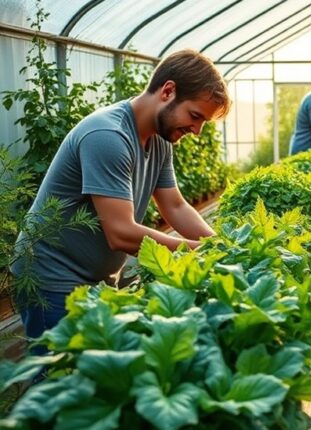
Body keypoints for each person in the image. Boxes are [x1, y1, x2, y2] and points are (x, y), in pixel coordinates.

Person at [11, 49, 231, 341]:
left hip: (96, 281)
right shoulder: (108, 135)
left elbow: (176, 206)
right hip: (52, 279)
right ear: (168, 91)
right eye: (195, 116)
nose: (197, 130)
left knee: (93, 376)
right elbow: (121, 233)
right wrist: (200, 254)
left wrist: (221, 248)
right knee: (59, 378)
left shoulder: (159, 140)